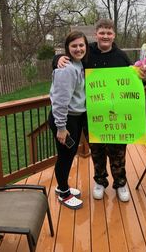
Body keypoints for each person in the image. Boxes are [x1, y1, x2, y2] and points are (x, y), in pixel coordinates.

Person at [52, 19, 146, 202]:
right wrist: (57, 58)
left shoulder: (121, 57)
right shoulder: (88, 53)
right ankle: (100, 181)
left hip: (117, 114)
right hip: (92, 115)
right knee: (97, 151)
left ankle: (120, 183)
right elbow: (69, 60)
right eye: (102, 32)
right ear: (96, 34)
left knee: (118, 151)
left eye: (109, 33)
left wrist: (143, 77)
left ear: (114, 35)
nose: (105, 36)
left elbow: (135, 82)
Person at [49, 30, 89, 209]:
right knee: (65, 156)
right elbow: (59, 101)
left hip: (75, 118)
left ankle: (61, 187)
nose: (78, 48)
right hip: (65, 121)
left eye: (81, 45)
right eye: (74, 46)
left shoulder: (79, 64)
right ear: (67, 48)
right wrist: (61, 127)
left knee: (69, 154)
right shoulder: (66, 69)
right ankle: (63, 193)